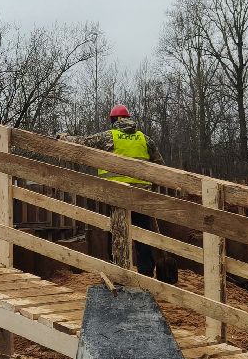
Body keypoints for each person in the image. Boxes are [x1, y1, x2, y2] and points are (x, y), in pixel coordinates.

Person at [58, 105, 180, 284]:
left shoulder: (109, 136)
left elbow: (82, 142)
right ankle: (146, 274)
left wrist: (64, 138)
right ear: (129, 118)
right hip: (141, 196)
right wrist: (152, 188)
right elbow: (160, 167)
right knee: (143, 235)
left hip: (116, 194)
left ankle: (118, 271)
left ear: (113, 121)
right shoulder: (145, 139)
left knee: (116, 233)